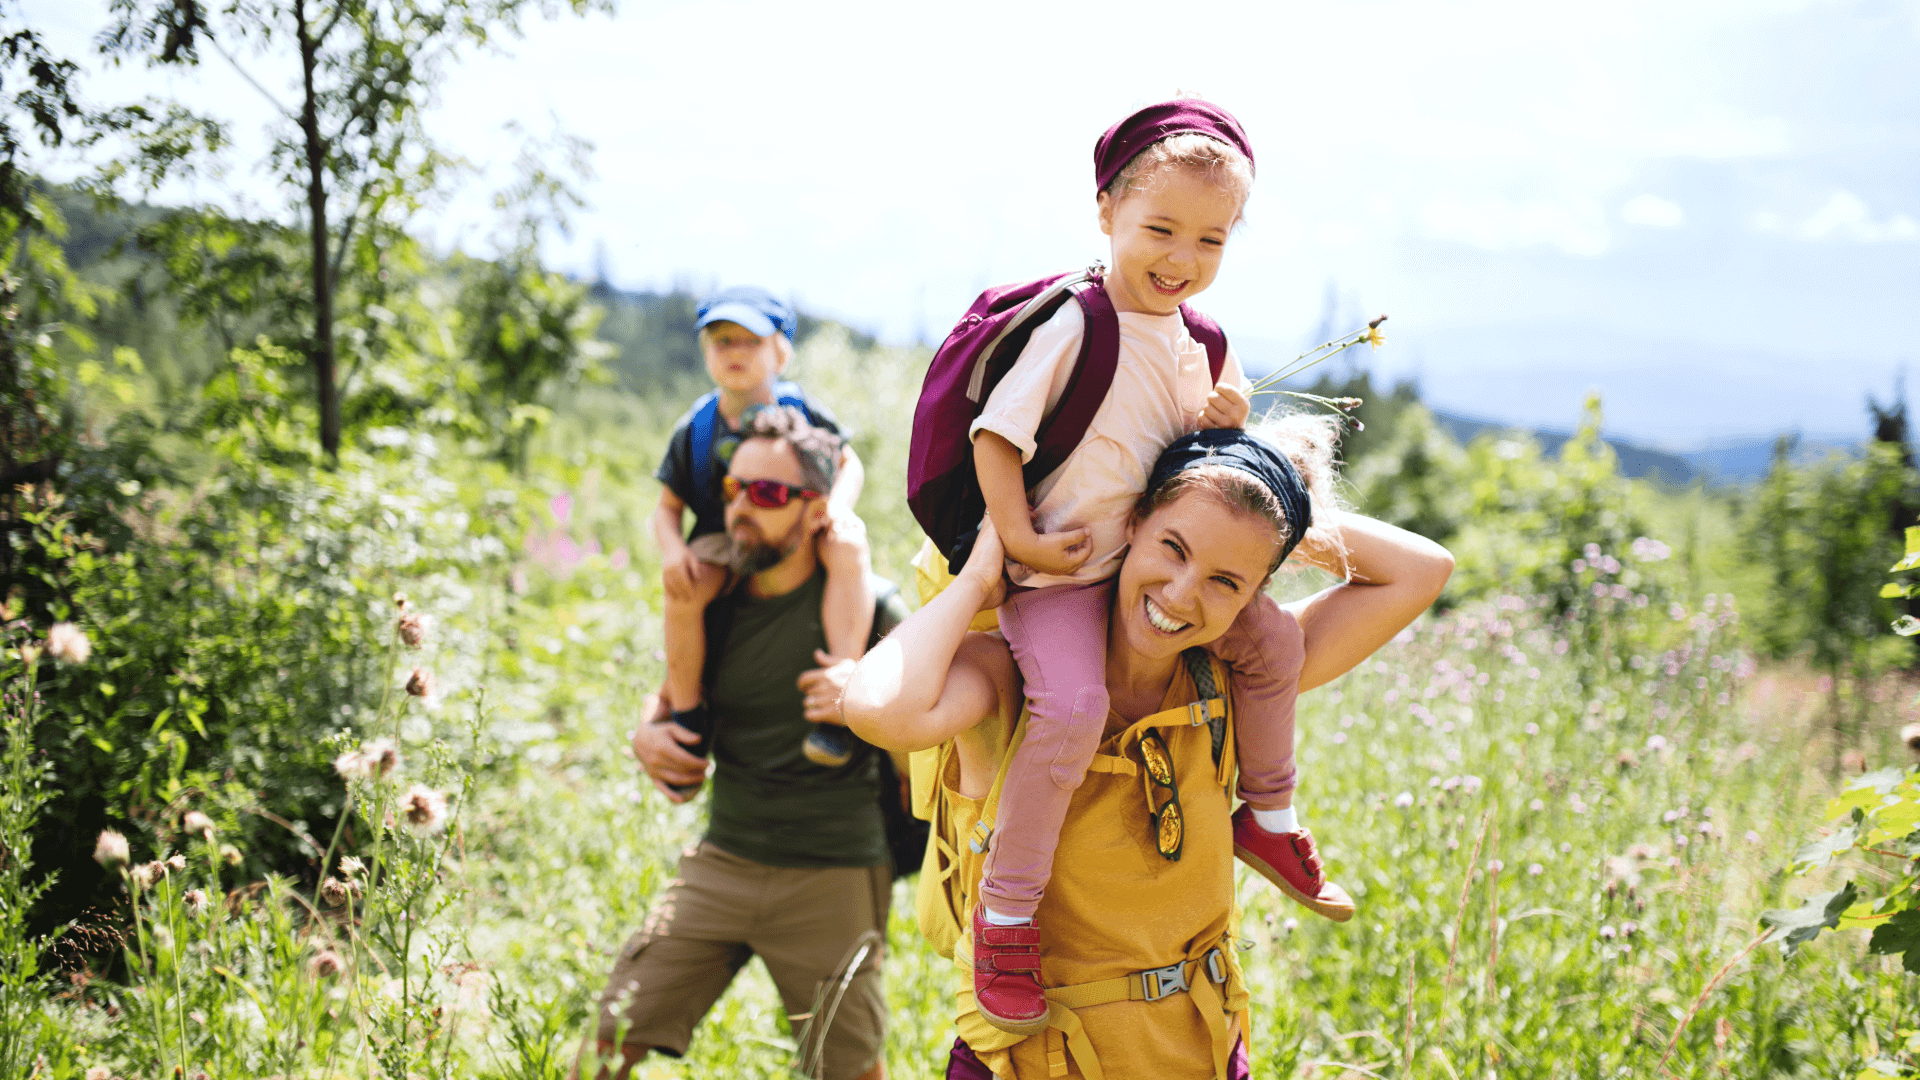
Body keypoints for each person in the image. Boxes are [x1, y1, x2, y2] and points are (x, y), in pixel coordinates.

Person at [844, 422, 1453, 1079]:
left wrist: (1260, 507)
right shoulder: (1013, 677)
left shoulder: (1232, 681)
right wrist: (977, 583)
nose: (1182, 593)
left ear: (1254, 595)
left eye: (1227, 581)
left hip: (1202, 1052)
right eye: (1174, 545)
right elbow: (879, 710)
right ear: (1129, 523)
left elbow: (1422, 571)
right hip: (1037, 1062)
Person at [958, 98, 1348, 1034]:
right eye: (1160, 229)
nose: (1182, 258)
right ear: (1106, 213)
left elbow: (1206, 456)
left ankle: (1270, 812)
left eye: (1210, 240)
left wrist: (1222, 420)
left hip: (1147, 564)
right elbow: (996, 437)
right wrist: (1016, 541)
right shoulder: (1075, 325)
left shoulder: (1200, 341)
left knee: (1273, 648)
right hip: (1063, 573)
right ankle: (1007, 914)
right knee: (1074, 708)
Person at [584, 406, 908, 1080]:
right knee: (604, 1047)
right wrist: (647, 734)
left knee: (850, 1070)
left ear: (816, 508)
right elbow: (673, 696)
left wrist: (867, 707)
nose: (740, 510)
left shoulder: (872, 609)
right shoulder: (711, 596)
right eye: (734, 489)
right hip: (724, 859)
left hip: (834, 869)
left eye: (767, 494)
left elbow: (922, 754)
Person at [653, 285, 872, 770]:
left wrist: (836, 507)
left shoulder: (802, 410)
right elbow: (666, 507)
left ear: (781, 351)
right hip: (723, 535)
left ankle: (838, 691)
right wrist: (673, 551)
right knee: (683, 592)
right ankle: (688, 714)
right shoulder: (696, 427)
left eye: (750, 341)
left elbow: (848, 461)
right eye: (721, 341)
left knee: (848, 547)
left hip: (797, 526)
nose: (735, 353)